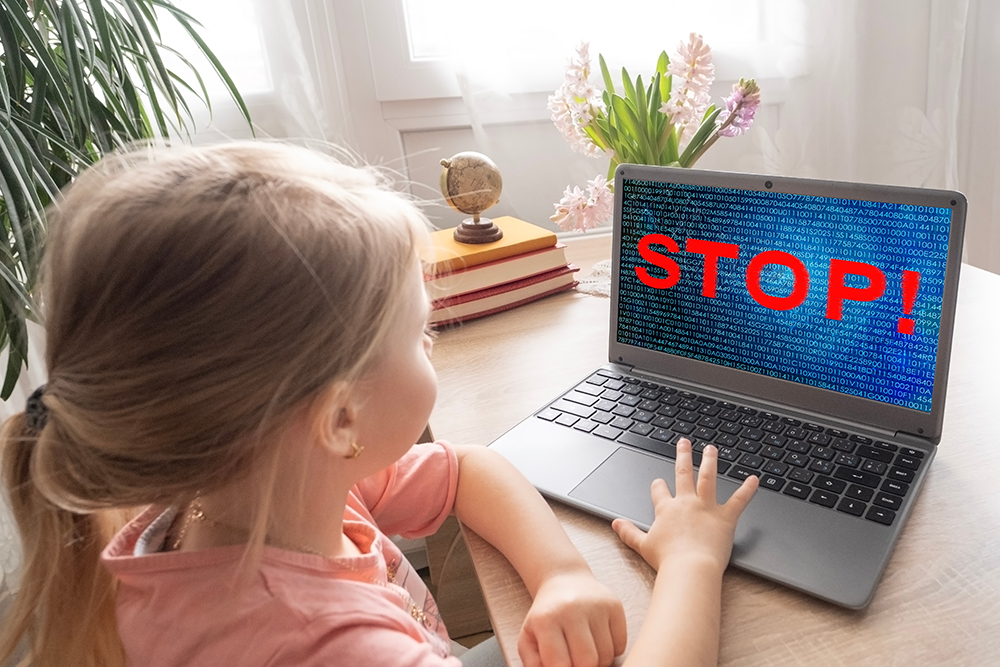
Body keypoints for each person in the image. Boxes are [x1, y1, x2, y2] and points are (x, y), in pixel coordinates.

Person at [0, 141, 757, 667]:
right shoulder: (325, 644)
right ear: (339, 419)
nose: (432, 344)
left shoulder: (243, 490)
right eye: (418, 331)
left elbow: (465, 465)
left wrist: (564, 572)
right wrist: (691, 559)